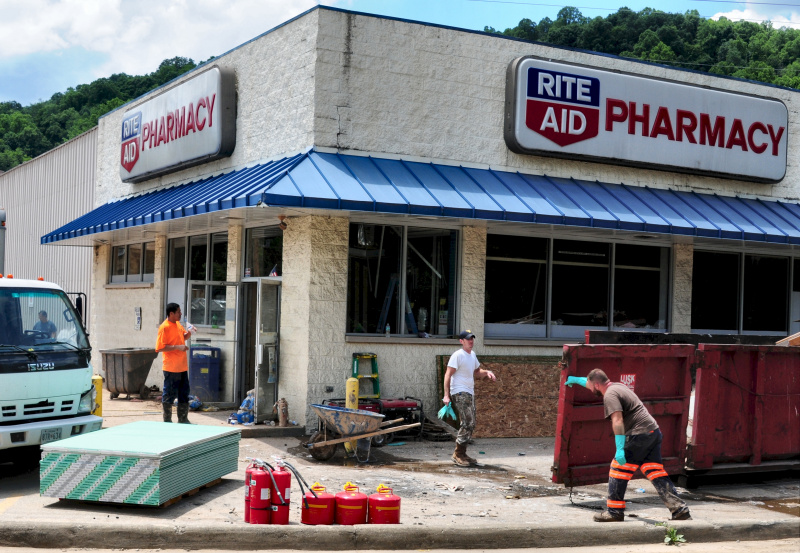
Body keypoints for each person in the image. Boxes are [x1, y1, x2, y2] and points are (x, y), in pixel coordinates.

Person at [566, 369, 691, 522]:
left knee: (618, 469)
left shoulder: (610, 395)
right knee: (655, 471)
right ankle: (679, 509)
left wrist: (619, 449)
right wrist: (574, 380)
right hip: (653, 432)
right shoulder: (618, 386)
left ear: (597, 385)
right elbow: (590, 382)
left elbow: (617, 421)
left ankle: (614, 512)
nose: (590, 389)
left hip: (639, 435)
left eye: (591, 386)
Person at [443, 330, 496, 466]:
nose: (471, 341)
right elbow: (448, 375)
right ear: (462, 341)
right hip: (459, 392)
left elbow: (477, 372)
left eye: (472, 338)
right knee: (468, 422)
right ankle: (457, 454)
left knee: (471, 423)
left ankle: (462, 453)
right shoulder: (458, 355)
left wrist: (487, 372)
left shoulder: (472, 355)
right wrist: (446, 395)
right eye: (468, 339)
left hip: (469, 392)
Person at [155, 303, 193, 423]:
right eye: (178, 312)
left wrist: (190, 332)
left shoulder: (177, 324)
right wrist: (177, 347)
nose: (180, 314)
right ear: (171, 314)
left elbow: (183, 337)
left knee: (184, 393)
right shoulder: (164, 327)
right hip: (171, 368)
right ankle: (167, 420)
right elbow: (160, 347)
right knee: (169, 395)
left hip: (182, 367)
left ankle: (183, 419)